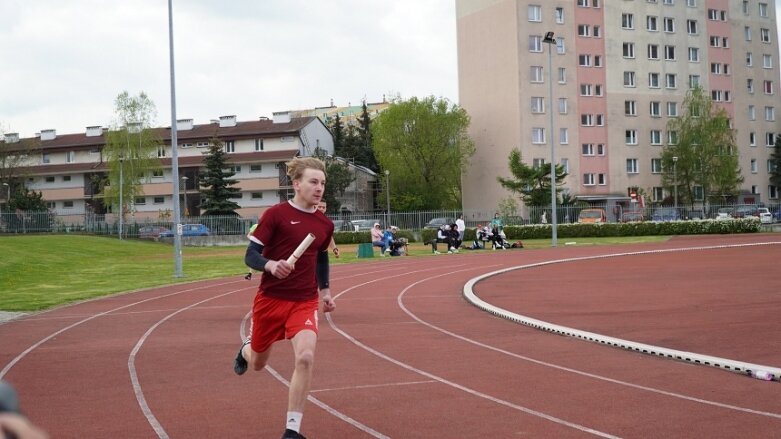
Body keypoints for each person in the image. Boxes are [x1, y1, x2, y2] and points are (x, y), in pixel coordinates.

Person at [233, 156, 335, 439]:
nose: (319, 188)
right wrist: (270, 264)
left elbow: (322, 256)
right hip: (271, 300)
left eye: (323, 183)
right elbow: (250, 255)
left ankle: (292, 431)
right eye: (313, 182)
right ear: (297, 184)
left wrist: (324, 291)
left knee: (305, 357)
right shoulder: (275, 215)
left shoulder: (324, 224)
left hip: (303, 302)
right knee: (257, 363)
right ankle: (245, 349)